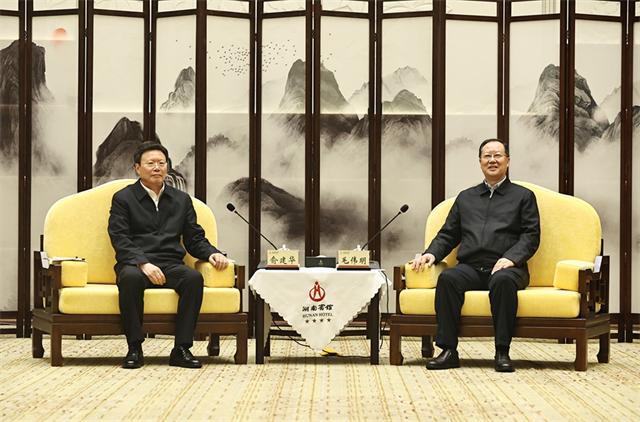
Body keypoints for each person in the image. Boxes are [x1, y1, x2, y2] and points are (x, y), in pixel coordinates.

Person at [409, 138, 540, 372]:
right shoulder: (466, 197)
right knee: (448, 278)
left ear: (508, 161)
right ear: (480, 161)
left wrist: (511, 258)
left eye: (498, 155)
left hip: (508, 267)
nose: (492, 160)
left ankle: (502, 351)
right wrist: (431, 254)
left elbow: (531, 235)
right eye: (487, 156)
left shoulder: (523, 196)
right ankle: (448, 351)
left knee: (502, 280)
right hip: (471, 266)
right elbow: (448, 234)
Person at [108, 141, 229, 369]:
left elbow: (194, 238)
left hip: (170, 263)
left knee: (193, 278)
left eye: (161, 163)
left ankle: (181, 349)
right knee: (130, 279)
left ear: (167, 167)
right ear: (137, 168)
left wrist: (212, 253)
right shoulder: (123, 198)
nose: (157, 168)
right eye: (150, 163)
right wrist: (143, 263)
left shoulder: (181, 200)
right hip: (135, 264)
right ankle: (135, 347)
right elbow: (120, 237)